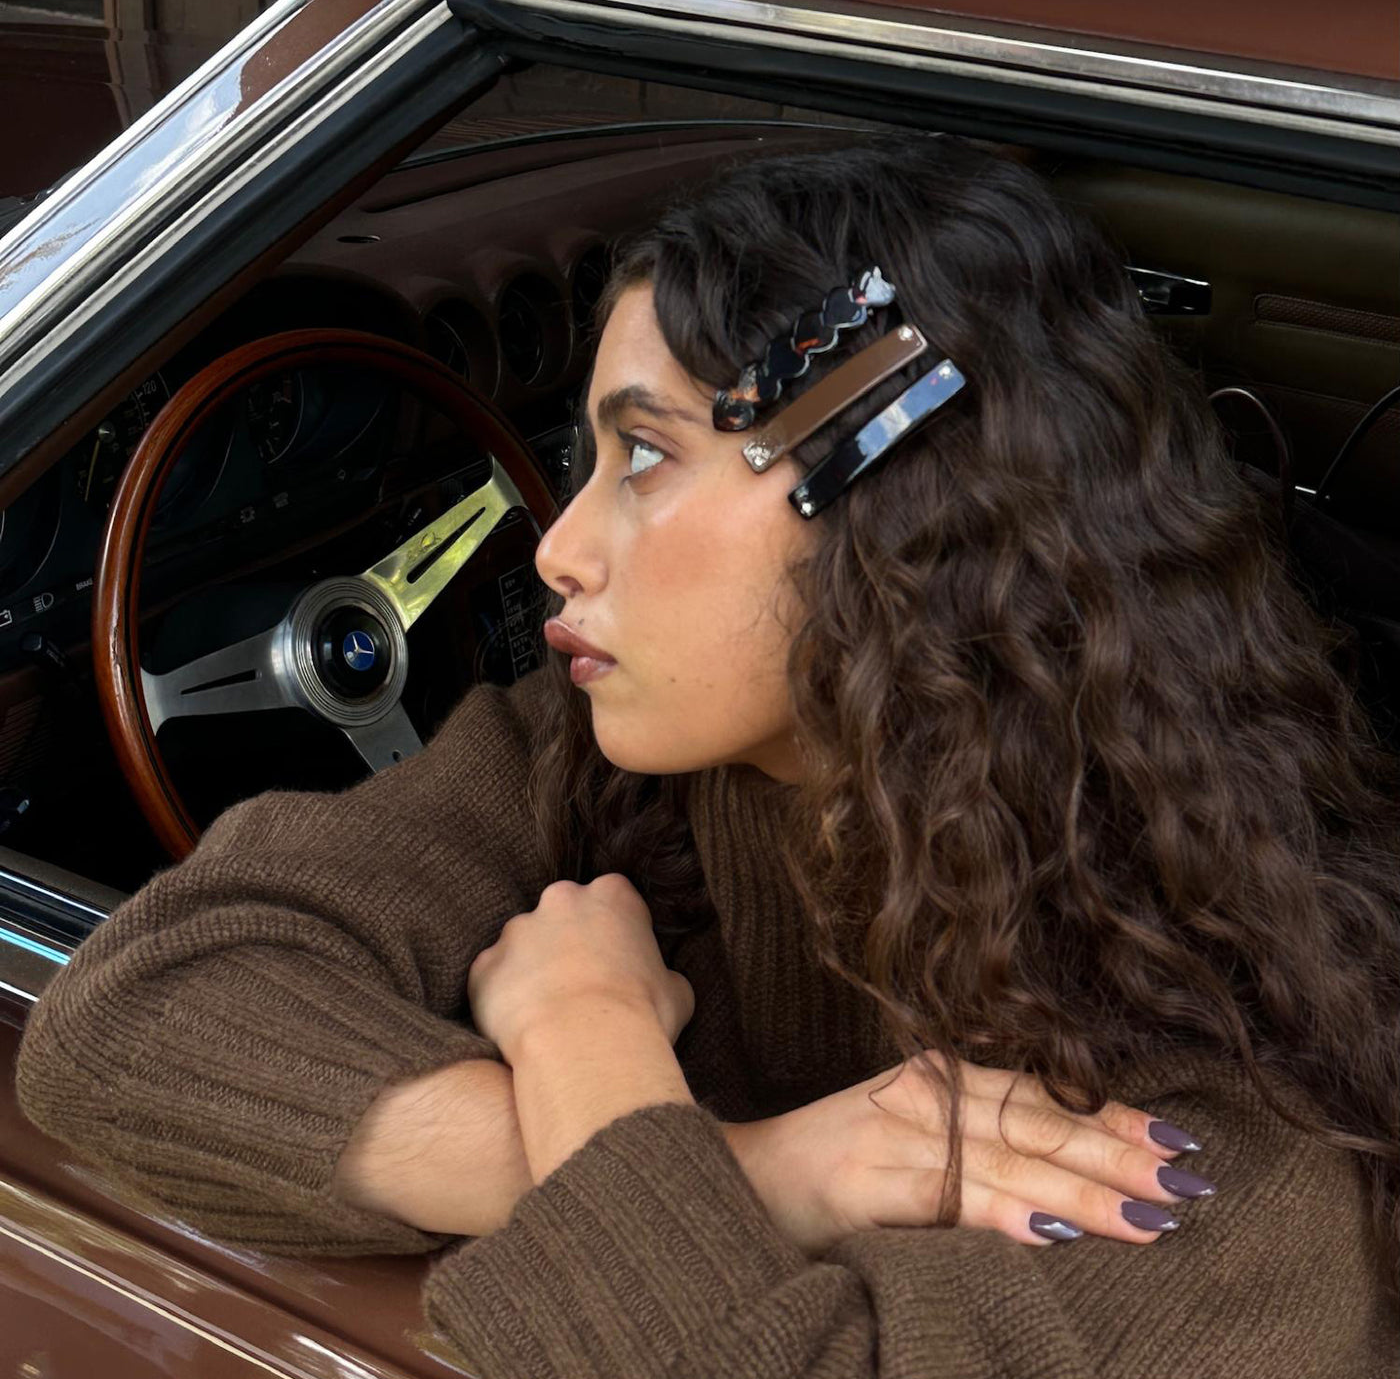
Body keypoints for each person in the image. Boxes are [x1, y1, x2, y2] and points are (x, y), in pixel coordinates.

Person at [16, 135, 1399, 1378]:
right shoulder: (591, 756)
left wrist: (587, 1035)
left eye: (648, 457)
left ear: (897, 518)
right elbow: (129, 1014)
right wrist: (755, 1170)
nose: (555, 548)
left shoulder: (1236, 1124)